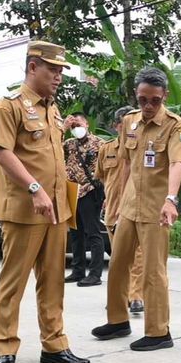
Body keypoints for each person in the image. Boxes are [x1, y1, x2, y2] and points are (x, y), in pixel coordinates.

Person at [0, 40, 91, 363]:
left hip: (57, 209)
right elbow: (3, 153)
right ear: (33, 67)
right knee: (13, 282)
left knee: (53, 282)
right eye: (53, 69)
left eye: (61, 70)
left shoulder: (53, 109)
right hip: (24, 209)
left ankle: (55, 345)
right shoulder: (8, 107)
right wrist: (34, 188)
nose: (59, 76)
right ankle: (5, 348)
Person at [91, 67, 181, 351]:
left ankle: (159, 332)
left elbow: (176, 164)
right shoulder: (130, 122)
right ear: (136, 96)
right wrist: (116, 200)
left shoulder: (174, 125)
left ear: (165, 97)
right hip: (129, 208)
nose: (148, 106)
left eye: (155, 101)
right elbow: (124, 162)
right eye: (143, 99)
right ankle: (118, 320)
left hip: (155, 211)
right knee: (118, 264)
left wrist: (171, 199)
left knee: (152, 271)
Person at [95, 106, 145, 314]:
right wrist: (107, 201)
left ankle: (136, 297)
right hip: (114, 213)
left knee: (139, 256)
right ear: (117, 126)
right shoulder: (106, 149)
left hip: (138, 210)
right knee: (119, 258)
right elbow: (101, 177)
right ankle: (120, 297)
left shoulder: (141, 147)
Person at [63, 113, 105, 287]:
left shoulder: (99, 143)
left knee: (93, 232)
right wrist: (64, 127)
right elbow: (51, 150)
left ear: (87, 124)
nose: (76, 129)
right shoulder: (68, 144)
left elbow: (106, 168)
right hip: (73, 191)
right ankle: (78, 269)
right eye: (73, 127)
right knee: (75, 233)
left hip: (90, 190)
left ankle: (95, 274)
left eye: (78, 125)